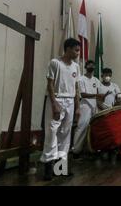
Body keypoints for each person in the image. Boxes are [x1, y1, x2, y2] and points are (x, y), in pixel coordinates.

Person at [41, 38, 81, 181]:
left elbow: (76, 88)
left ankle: (61, 168)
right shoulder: (55, 63)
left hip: (70, 101)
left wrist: (77, 108)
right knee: (52, 133)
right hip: (57, 99)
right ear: (68, 49)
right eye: (76, 50)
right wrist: (54, 104)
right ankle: (48, 167)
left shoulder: (76, 67)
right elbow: (50, 85)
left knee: (65, 134)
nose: (78, 53)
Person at [72, 60, 106, 159]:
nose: (91, 67)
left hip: (94, 106)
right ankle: (76, 151)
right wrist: (96, 95)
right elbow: (82, 94)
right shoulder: (81, 79)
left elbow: (100, 94)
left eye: (93, 65)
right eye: (89, 65)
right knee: (82, 128)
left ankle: (92, 150)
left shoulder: (96, 80)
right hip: (85, 106)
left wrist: (103, 97)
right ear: (86, 67)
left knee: (95, 128)